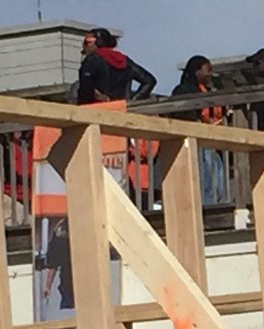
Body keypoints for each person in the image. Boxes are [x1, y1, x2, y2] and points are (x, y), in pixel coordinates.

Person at [170, 55, 226, 206]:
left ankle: (214, 206)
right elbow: (178, 113)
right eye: (208, 70)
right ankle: (206, 211)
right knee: (207, 182)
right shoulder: (184, 90)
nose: (210, 74)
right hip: (198, 142)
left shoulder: (209, 90)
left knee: (218, 183)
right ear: (197, 71)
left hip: (213, 142)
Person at [76, 28, 157, 105]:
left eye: (88, 41)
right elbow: (150, 81)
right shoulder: (125, 60)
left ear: (98, 42)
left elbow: (85, 91)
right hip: (121, 111)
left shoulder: (91, 59)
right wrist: (132, 102)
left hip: (97, 110)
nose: (84, 45)